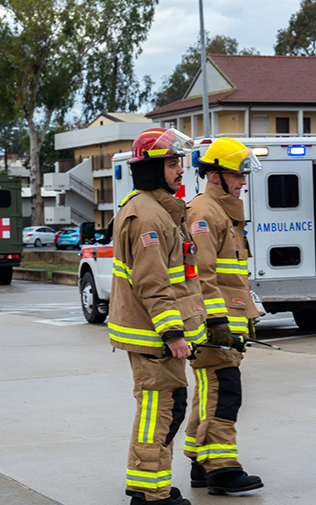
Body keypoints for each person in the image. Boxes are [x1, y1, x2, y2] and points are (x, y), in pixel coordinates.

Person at [108, 128, 204, 505]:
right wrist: (173, 333)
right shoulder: (147, 217)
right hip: (153, 336)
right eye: (171, 163)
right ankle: (149, 494)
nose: (179, 170)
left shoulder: (156, 210)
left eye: (178, 162)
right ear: (151, 169)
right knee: (158, 410)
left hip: (156, 334)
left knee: (167, 407)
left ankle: (148, 484)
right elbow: (153, 283)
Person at [183, 138, 264, 495]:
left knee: (211, 391)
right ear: (215, 175)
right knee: (223, 391)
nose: (243, 181)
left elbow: (232, 278)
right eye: (238, 174)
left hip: (227, 325)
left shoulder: (225, 214)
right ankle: (222, 468)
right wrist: (214, 323)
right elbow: (202, 275)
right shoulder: (204, 212)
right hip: (214, 327)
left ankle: (201, 461)